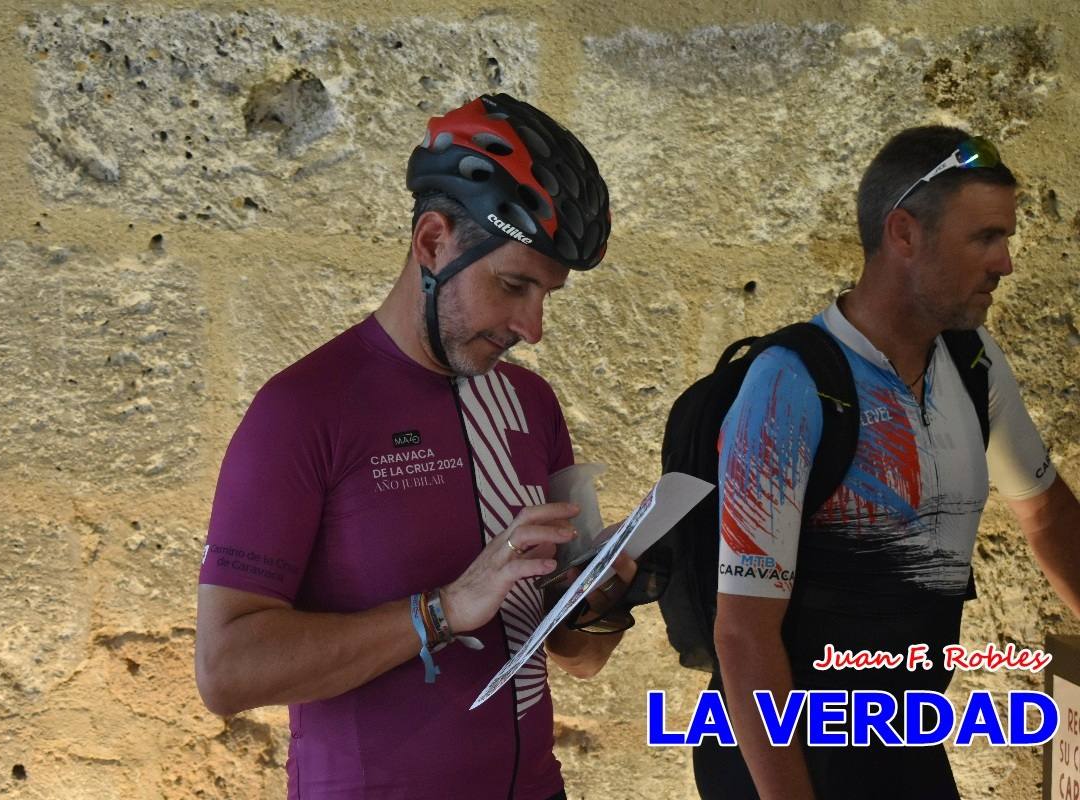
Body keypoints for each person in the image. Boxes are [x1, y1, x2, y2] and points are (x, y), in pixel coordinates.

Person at [194, 93, 630, 800]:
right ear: (433, 243)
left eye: (546, 295)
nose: (533, 326)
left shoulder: (532, 404)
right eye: (514, 285)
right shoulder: (301, 410)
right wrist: (445, 610)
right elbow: (225, 671)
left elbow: (579, 654)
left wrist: (611, 592)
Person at [702, 126, 1080, 799]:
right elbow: (743, 633)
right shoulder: (789, 383)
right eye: (985, 238)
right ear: (904, 234)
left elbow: (1047, 513)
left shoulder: (971, 360)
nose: (1006, 264)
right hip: (782, 752)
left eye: (1007, 238)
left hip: (901, 738)